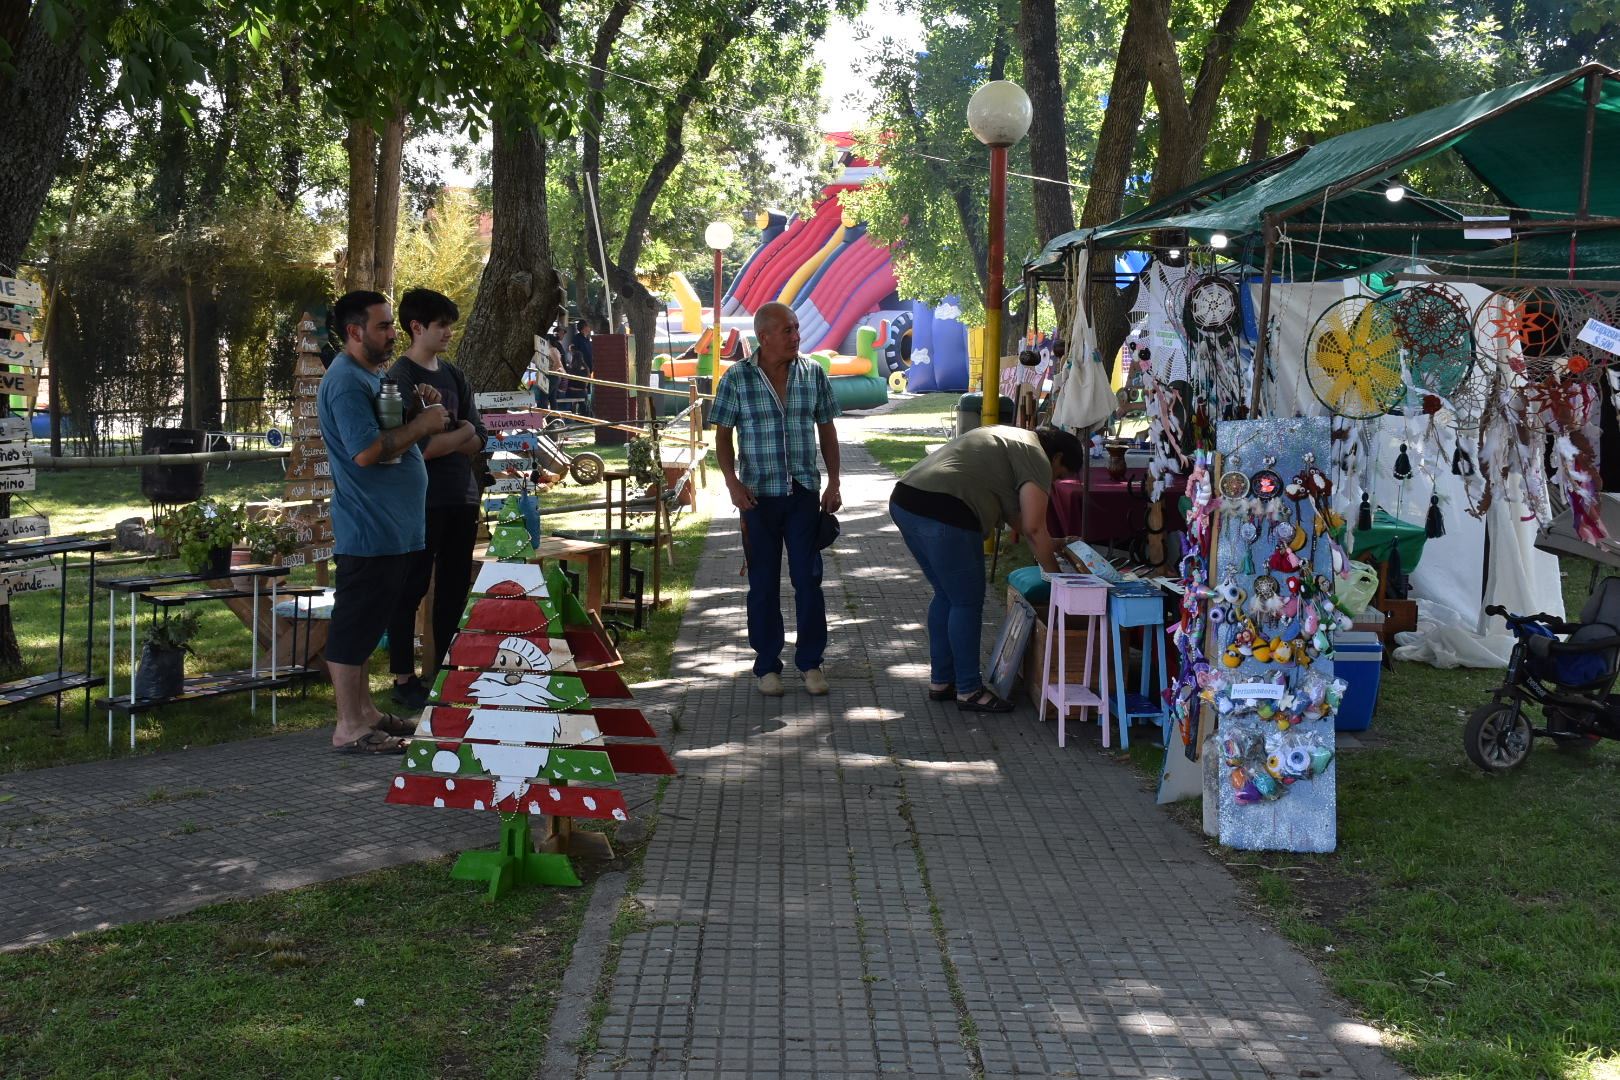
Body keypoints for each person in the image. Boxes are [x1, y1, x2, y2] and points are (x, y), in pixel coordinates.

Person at [318, 289, 461, 752]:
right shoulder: (345, 381)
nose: (391, 334)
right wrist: (422, 427)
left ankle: (365, 713)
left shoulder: (372, 377)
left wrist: (418, 410)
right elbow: (365, 452)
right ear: (354, 331)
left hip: (393, 529)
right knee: (354, 625)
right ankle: (349, 727)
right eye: (381, 326)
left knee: (368, 622)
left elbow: (391, 440)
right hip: (369, 528)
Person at [889, 424, 1084, 712]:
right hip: (945, 512)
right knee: (966, 602)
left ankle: (941, 682)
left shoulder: (1011, 439)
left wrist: (1051, 544)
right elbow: (1032, 528)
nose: (1053, 483)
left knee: (946, 595)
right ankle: (968, 690)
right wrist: (1058, 580)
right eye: (1059, 476)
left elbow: (1022, 522)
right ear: (1056, 458)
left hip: (906, 500)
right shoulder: (1037, 458)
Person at [710, 301, 841, 697]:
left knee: (808, 580)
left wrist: (834, 482)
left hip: (803, 493)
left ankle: (811, 664)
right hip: (757, 498)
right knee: (763, 585)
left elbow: (828, 429)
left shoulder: (813, 373)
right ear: (763, 337)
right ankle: (767, 666)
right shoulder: (737, 378)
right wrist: (732, 484)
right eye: (787, 330)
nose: (796, 336)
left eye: (797, 328)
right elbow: (722, 437)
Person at [383, 287, 488, 711]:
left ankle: (447, 671)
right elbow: (414, 448)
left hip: (462, 498)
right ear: (416, 327)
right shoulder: (400, 378)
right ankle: (403, 678)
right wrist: (455, 435)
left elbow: (478, 436)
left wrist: (453, 434)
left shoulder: (455, 375)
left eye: (450, 325)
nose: (448, 332)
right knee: (409, 588)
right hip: (419, 500)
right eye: (441, 325)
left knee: (452, 591)